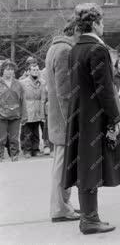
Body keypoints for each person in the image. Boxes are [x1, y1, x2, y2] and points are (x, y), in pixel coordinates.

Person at [63, 3, 120, 234]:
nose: (103, 26)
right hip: (93, 116)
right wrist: (116, 117)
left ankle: (89, 217)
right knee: (91, 164)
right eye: (102, 21)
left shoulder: (75, 49)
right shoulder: (97, 50)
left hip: (79, 113)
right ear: (96, 23)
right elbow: (105, 89)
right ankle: (89, 220)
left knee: (84, 164)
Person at [44, 19, 81, 222]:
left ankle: (63, 206)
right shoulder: (65, 51)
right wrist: (72, 121)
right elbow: (65, 93)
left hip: (57, 119)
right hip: (64, 121)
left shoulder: (54, 48)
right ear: (75, 30)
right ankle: (59, 209)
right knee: (61, 167)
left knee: (63, 164)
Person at [20, 61, 47, 158]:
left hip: (38, 110)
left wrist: (42, 112)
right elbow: (21, 98)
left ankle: (36, 149)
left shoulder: (42, 82)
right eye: (33, 70)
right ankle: (27, 150)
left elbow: (43, 98)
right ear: (29, 71)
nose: (36, 71)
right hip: (27, 109)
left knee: (36, 132)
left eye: (37, 70)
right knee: (27, 132)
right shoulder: (23, 83)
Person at [0, 60, 24, 162]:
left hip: (15, 115)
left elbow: (23, 100)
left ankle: (15, 157)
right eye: (7, 69)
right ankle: (0, 156)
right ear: (2, 70)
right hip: (1, 116)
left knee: (14, 139)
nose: (9, 72)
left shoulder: (18, 84)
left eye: (11, 69)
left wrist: (24, 115)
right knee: (1, 138)